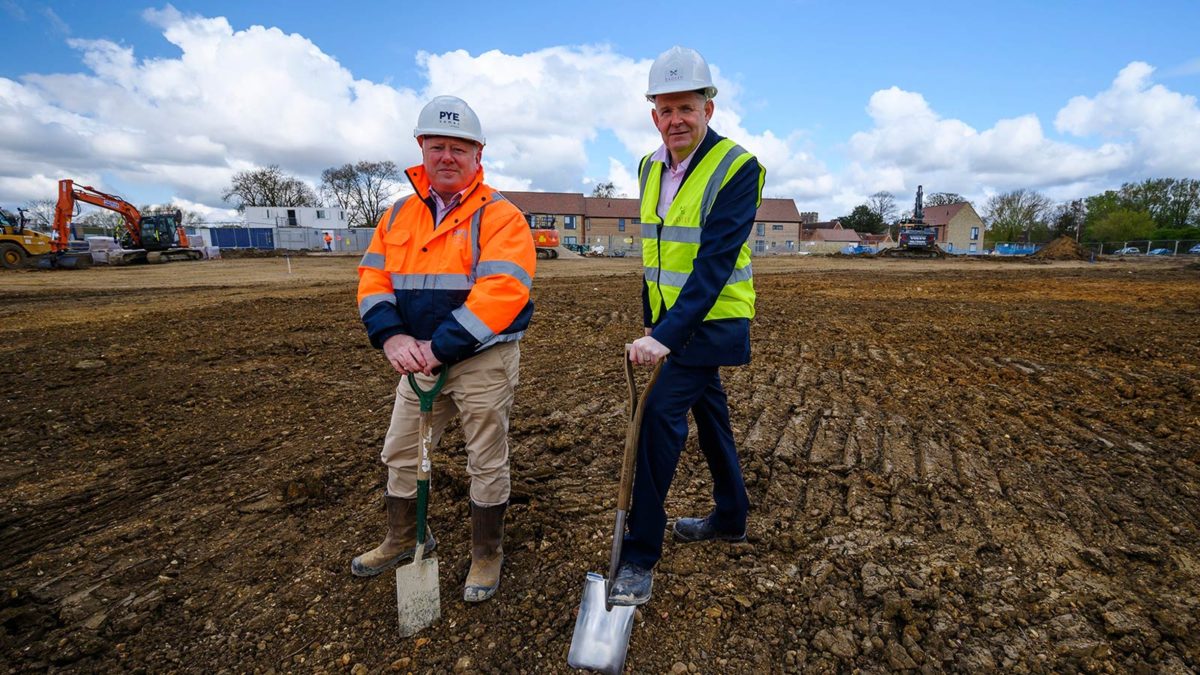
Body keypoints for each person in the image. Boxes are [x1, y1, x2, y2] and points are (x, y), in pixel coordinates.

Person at [352, 95, 536, 603]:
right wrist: (392, 335)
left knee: (486, 458)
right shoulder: (397, 214)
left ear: (479, 154)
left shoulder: (501, 217)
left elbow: (501, 293)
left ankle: (486, 552)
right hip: (418, 361)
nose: (448, 157)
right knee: (401, 450)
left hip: (483, 360)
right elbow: (373, 279)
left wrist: (439, 346)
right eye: (438, 146)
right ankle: (404, 537)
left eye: (460, 148)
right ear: (422, 149)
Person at [610, 46, 764, 606]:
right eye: (665, 108)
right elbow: (657, 254)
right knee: (709, 414)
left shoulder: (737, 168)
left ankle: (639, 555)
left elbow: (713, 263)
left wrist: (664, 337)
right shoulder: (650, 166)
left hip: (712, 321)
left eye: (687, 108)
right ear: (654, 114)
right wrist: (654, 322)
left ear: (709, 109)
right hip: (670, 323)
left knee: (656, 421)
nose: (676, 119)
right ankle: (731, 516)